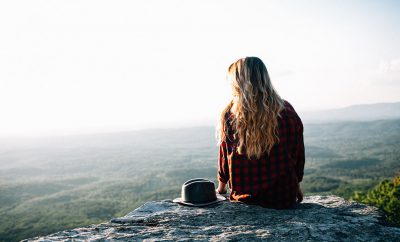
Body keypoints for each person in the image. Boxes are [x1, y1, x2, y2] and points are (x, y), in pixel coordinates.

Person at [216, 57, 305, 209]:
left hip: (244, 200)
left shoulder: (230, 114)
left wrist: (220, 190)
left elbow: (225, 159)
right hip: (283, 197)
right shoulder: (286, 111)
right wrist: (295, 185)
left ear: (237, 83)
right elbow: (297, 156)